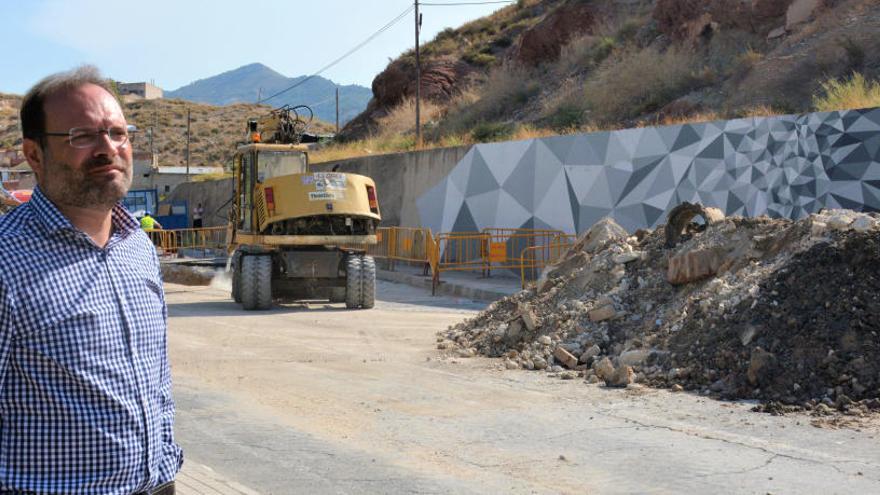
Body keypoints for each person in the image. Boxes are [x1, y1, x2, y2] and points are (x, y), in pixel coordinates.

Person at [0, 66, 182, 494]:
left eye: (118, 133)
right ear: (34, 155)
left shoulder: (137, 246)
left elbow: (156, 380)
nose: (108, 149)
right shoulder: (7, 260)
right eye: (82, 136)